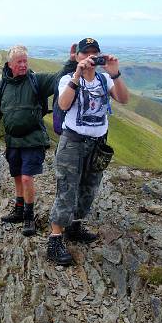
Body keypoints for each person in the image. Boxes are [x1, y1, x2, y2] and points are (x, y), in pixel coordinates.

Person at [47, 38, 130, 265]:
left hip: (97, 144)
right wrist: (77, 75)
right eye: (85, 53)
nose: (90, 58)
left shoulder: (104, 79)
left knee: (89, 187)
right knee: (67, 188)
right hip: (72, 142)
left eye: (94, 53)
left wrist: (115, 73)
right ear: (77, 56)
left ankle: (75, 227)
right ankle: (55, 239)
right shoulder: (67, 79)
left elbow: (124, 99)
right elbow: (63, 105)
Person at [0, 45, 76, 236]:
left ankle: (28, 216)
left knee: (27, 177)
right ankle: (19, 210)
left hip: (33, 139)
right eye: (19, 61)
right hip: (12, 140)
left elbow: (59, 77)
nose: (23, 64)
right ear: (10, 64)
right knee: (17, 176)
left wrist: (72, 62)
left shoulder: (36, 81)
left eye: (25, 60)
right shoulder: (2, 86)